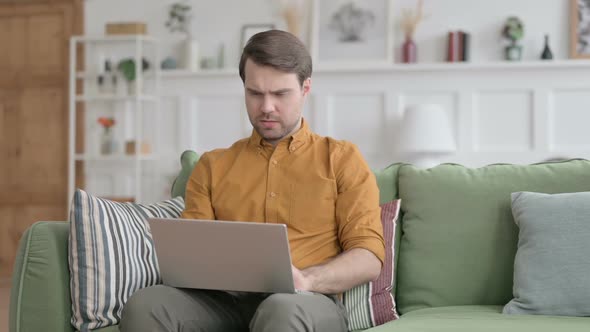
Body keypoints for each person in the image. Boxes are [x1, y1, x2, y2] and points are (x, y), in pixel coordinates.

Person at [120, 30, 385, 332]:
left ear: (305, 88)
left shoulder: (341, 159)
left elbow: (368, 257)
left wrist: (309, 278)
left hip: (306, 302)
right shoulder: (212, 166)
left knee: (281, 310)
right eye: (255, 93)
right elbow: (190, 257)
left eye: (280, 94)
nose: (266, 107)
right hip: (224, 303)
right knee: (148, 305)